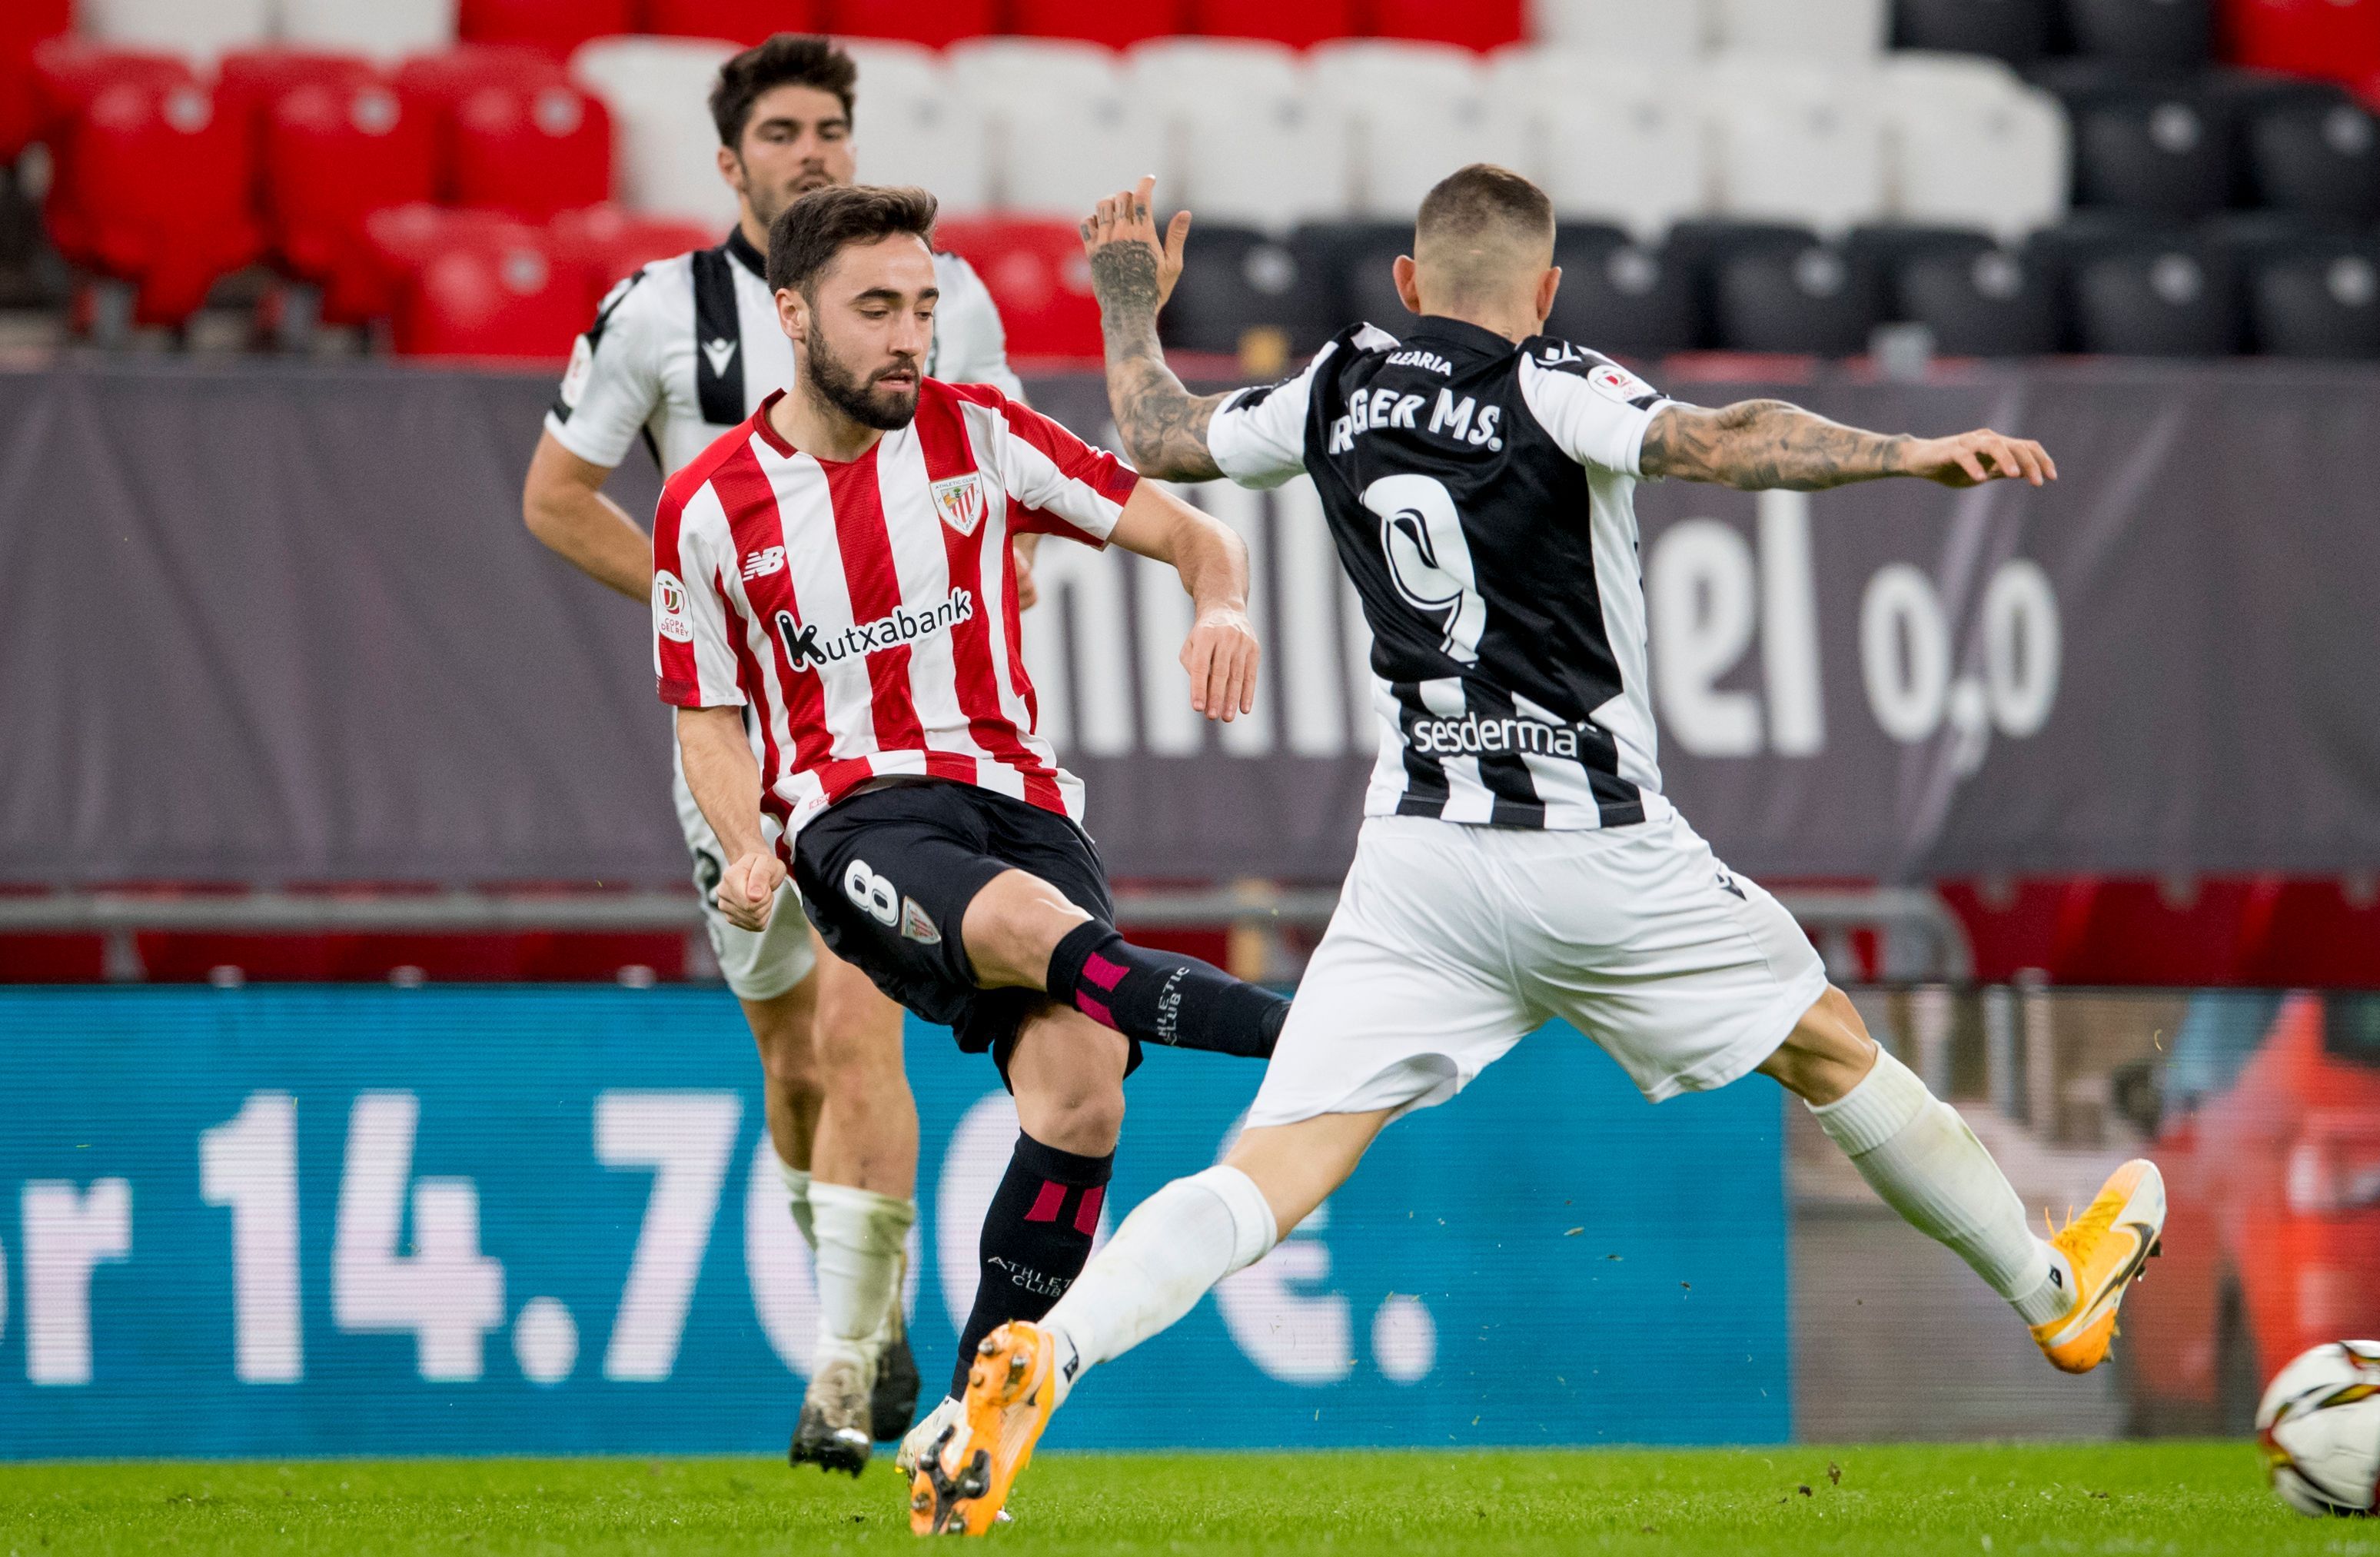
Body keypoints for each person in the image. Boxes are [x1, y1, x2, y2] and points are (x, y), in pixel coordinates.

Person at [909, 167, 2167, 1536]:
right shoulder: (1555, 381)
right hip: (1600, 848)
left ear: (1406, 280)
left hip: (1421, 862)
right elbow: (1726, 438)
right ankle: (2057, 1300)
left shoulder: (1335, 381)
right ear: (1548, 289)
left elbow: (1156, 434)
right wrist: (1899, 452)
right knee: (1828, 1046)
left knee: (1271, 1168)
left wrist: (1127, 305)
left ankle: (1050, 1350)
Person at [656, 182, 1291, 1492]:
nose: (911, 336)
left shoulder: (980, 435)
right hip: (854, 818)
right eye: (877, 307)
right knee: (1024, 931)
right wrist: (747, 841)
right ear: (793, 313)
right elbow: (707, 718)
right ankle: (1315, 1032)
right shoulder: (711, 504)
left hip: (1022, 800)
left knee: (1083, 1090)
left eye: (928, 307)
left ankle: (962, 1430)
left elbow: (1191, 527)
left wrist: (1220, 602)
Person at [520, 35, 1032, 1473]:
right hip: (741, 734)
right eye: (785, 130)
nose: (814, 149)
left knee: (864, 1021)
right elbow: (558, 496)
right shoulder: (659, 312)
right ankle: (856, 1321)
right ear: (731, 160)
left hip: (896, 738)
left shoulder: (945, 299)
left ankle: (848, 1364)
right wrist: (703, 612)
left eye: (833, 126)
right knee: (794, 1052)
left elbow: (1004, 471)